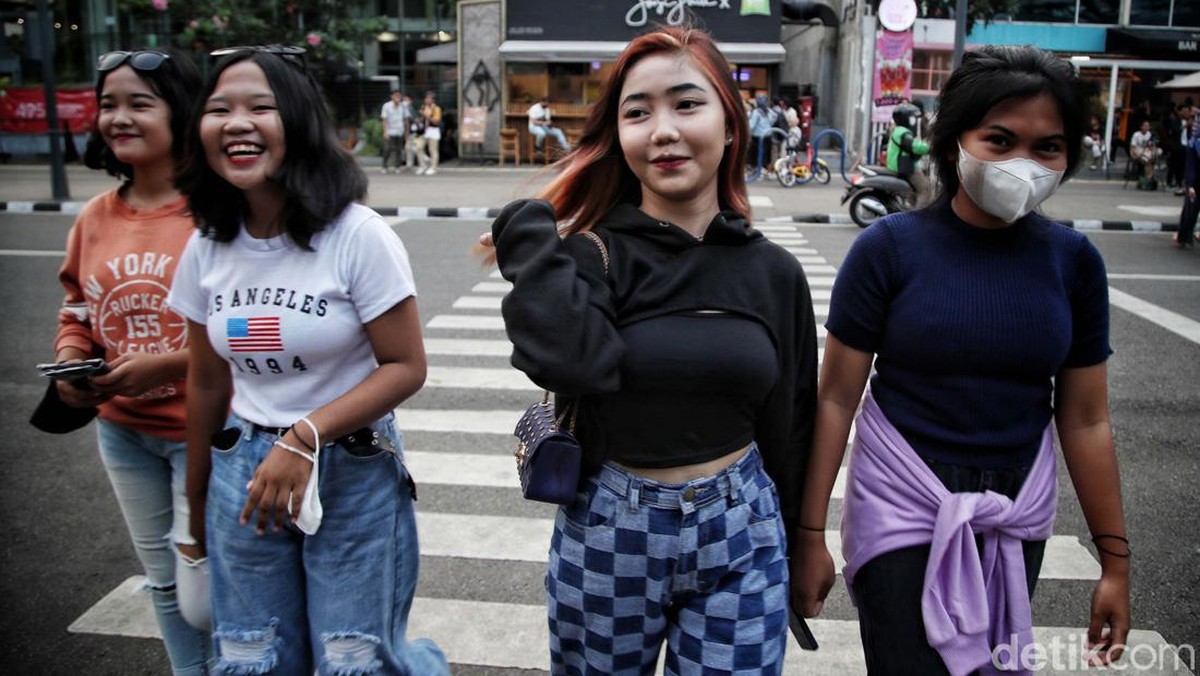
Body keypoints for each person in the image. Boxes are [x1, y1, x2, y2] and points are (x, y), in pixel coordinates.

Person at [480, 26, 818, 673]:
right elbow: (564, 360)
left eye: (686, 104)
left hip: (742, 530)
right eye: (638, 112)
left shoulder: (773, 272)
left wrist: (806, 540)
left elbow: (792, 418)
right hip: (611, 530)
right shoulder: (591, 257)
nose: (662, 129)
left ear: (730, 123)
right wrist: (528, 231)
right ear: (619, 137)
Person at [793, 45, 1131, 675]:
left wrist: (1115, 563)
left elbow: (1085, 419)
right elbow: (836, 398)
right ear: (954, 143)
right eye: (999, 141)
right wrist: (810, 537)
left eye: (1047, 148)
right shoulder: (888, 250)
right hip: (902, 504)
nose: (1022, 164)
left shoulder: (1074, 262)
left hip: (1015, 514)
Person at [169, 46, 448, 674]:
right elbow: (207, 386)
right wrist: (193, 518)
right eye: (219, 110)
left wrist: (305, 436)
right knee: (253, 657)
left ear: (296, 123)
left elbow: (405, 366)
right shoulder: (206, 246)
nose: (237, 123)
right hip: (242, 474)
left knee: (353, 658)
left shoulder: (357, 235)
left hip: (349, 467)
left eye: (259, 107)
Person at [51, 48, 213, 674]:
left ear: (180, 115)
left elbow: (248, 331)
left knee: (205, 581)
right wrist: (70, 363)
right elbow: (78, 311)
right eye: (108, 105)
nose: (118, 117)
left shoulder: (216, 214)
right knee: (163, 581)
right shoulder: (94, 217)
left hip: (203, 432)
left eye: (139, 104)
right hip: (122, 433)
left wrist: (165, 366)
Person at [885, 101, 931, 205]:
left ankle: (910, 206)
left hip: (896, 164)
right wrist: (930, 148)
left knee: (914, 188)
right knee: (925, 189)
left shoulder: (898, 130)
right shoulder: (903, 133)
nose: (913, 119)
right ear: (905, 118)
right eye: (911, 117)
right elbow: (915, 146)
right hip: (904, 166)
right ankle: (918, 215)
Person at [1174, 114, 1200, 248]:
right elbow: (1190, 166)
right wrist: (1190, 185)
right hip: (1196, 183)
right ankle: (1183, 237)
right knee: (1190, 213)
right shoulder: (1193, 143)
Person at [379, 89, 410, 174]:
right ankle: (384, 166)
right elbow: (384, 119)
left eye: (399, 96)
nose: (397, 97)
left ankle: (397, 166)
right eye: (395, 95)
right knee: (387, 149)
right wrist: (385, 131)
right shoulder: (386, 106)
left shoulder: (403, 106)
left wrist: (407, 134)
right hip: (389, 131)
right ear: (392, 96)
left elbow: (406, 120)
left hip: (399, 130)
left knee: (398, 150)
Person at [416, 91, 442, 176]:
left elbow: (436, 121)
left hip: (433, 131)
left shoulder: (436, 109)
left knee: (432, 150)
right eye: (426, 98)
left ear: (433, 100)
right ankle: (422, 166)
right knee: (418, 147)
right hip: (424, 131)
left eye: (429, 98)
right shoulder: (423, 107)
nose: (427, 100)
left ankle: (433, 167)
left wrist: (426, 115)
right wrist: (419, 119)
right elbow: (421, 118)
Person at [1130, 120, 1160, 185]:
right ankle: (1148, 177)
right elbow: (1133, 147)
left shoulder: (1149, 134)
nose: (1147, 127)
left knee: (1153, 157)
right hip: (1137, 151)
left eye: (1148, 126)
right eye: (1145, 126)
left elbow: (1150, 145)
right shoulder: (1136, 134)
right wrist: (1138, 154)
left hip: (1146, 151)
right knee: (1148, 161)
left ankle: (1148, 177)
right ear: (1141, 127)